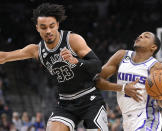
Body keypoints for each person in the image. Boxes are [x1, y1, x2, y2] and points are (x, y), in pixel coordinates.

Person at [0, 3, 108, 131]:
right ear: (37, 28)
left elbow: (97, 65)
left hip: (90, 98)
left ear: (57, 24)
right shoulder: (36, 50)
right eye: (43, 27)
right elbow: (4, 56)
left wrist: (77, 61)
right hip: (65, 102)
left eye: (51, 26)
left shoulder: (72, 39)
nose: (48, 31)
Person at [96, 32, 162, 131]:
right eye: (140, 35)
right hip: (127, 120)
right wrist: (122, 88)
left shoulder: (156, 67)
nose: (140, 36)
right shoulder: (121, 56)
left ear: (153, 47)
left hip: (148, 119)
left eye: (146, 36)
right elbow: (97, 80)